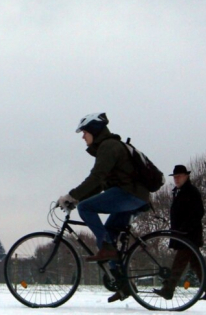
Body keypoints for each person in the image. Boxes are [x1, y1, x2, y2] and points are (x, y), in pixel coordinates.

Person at [57, 112, 150, 302]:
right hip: (135, 196)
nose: (83, 136)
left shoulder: (108, 147)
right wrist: (74, 198)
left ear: (94, 130)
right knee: (107, 236)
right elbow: (99, 184)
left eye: (84, 132)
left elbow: (96, 178)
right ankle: (124, 285)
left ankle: (108, 249)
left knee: (86, 208)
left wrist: (73, 197)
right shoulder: (108, 147)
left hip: (129, 194)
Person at [153, 164, 206, 301]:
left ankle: (168, 289)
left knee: (179, 264)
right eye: (175, 177)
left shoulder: (190, 191)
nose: (176, 179)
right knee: (197, 265)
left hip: (188, 236)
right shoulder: (179, 191)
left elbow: (198, 212)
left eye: (179, 176)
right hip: (183, 235)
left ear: (186, 176)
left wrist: (185, 229)